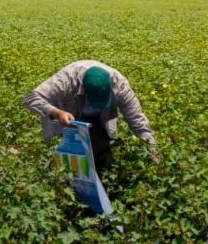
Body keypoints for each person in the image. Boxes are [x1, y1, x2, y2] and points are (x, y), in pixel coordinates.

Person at [22, 60, 160, 170]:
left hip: (98, 120)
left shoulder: (120, 86)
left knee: (100, 154)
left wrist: (153, 152)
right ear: (85, 90)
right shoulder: (67, 80)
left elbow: (137, 120)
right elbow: (30, 98)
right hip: (69, 119)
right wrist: (58, 113)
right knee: (65, 160)